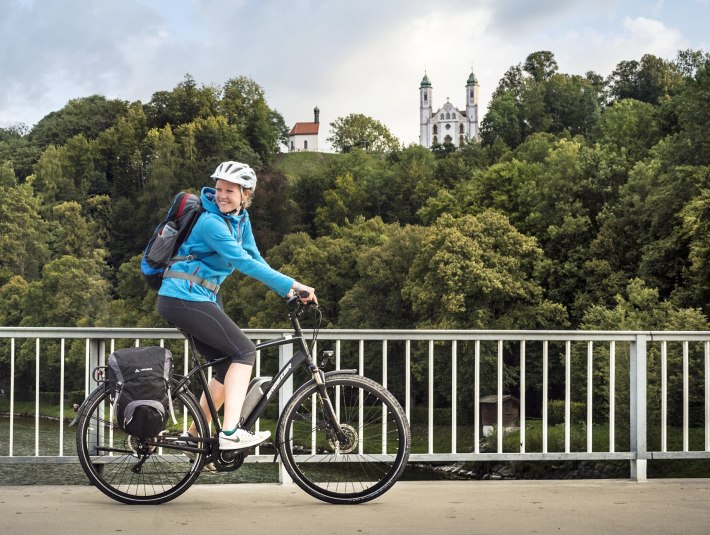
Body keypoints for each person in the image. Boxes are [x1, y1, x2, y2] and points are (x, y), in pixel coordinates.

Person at [157, 161, 316, 451]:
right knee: (245, 351)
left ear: (246, 194)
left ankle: (195, 436)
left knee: (227, 364)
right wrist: (294, 283)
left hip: (199, 297)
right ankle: (229, 432)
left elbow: (255, 258)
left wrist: (288, 290)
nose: (221, 195)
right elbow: (243, 264)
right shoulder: (211, 222)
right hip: (182, 297)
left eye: (229, 190)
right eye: (218, 189)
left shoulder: (240, 221)